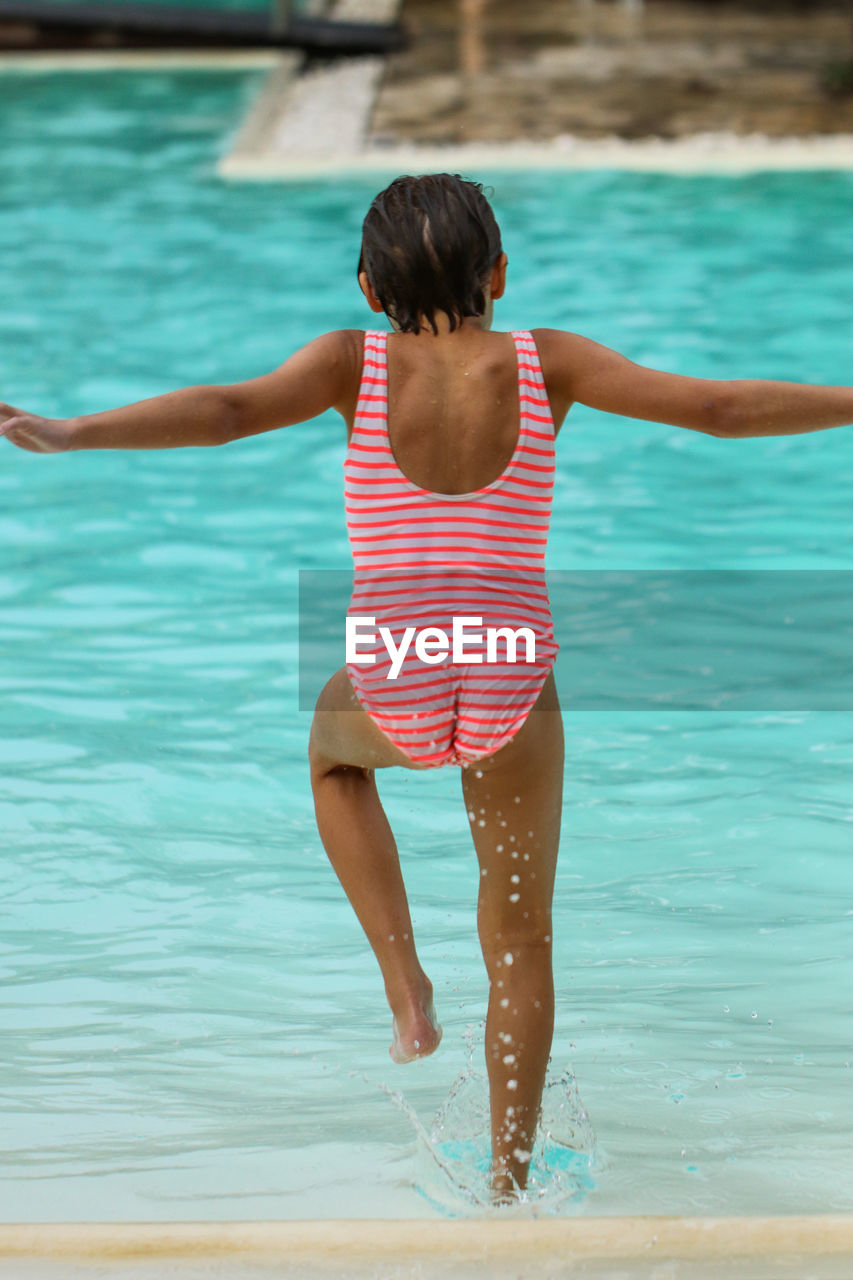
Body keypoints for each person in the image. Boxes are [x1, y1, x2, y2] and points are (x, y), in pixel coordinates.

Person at [3, 172, 853, 1202]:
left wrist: (72, 430)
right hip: (509, 680)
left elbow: (224, 412)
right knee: (521, 934)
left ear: (369, 286)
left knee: (329, 746)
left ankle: (405, 984)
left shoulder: (350, 361)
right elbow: (718, 408)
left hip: (396, 680)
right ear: (499, 272)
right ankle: (505, 1184)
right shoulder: (549, 362)